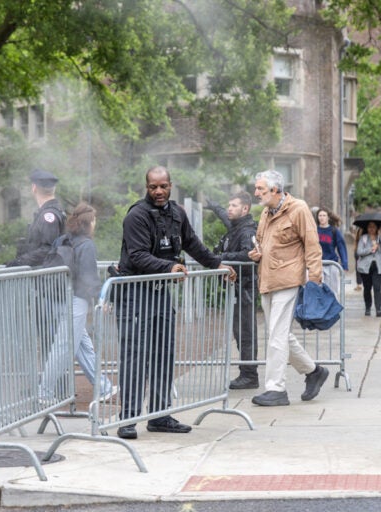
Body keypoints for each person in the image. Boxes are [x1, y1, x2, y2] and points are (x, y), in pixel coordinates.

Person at [114, 166, 236, 439]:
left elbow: (192, 244)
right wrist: (169, 267)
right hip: (135, 294)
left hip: (159, 294)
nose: (158, 191)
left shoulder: (177, 213)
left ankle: (160, 416)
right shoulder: (137, 216)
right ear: (146, 188)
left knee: (163, 354)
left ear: (171, 185)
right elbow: (137, 256)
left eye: (163, 186)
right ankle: (128, 418)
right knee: (135, 357)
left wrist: (218, 264)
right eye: (153, 187)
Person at [247, 170, 329, 407]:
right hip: (267, 279)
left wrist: (315, 279)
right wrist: (256, 253)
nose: (256, 193)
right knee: (279, 334)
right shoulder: (265, 212)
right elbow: (261, 242)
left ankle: (276, 389)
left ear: (275, 190)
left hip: (288, 279)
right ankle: (313, 371)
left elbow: (312, 245)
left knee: (276, 335)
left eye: (260, 189)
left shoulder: (299, 208)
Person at [43, 203, 115, 400]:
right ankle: (45, 392)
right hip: (76, 300)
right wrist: (102, 299)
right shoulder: (87, 245)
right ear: (90, 222)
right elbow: (88, 277)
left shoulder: (62, 240)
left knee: (83, 347)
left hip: (56, 297)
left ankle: (103, 387)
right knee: (64, 347)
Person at [206, 192, 260, 390]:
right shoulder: (237, 226)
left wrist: (221, 257)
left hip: (245, 288)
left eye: (234, 205)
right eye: (228, 205)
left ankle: (249, 375)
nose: (229, 208)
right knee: (240, 332)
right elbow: (225, 216)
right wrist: (215, 207)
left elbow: (248, 255)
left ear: (245, 209)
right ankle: (247, 373)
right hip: (238, 288)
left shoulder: (246, 231)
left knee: (246, 333)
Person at [7, 169, 66, 266]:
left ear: (34, 188)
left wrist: (20, 261)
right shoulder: (51, 212)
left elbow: (47, 249)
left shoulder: (49, 215)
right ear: (54, 189)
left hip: (47, 277)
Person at [356, 221, 381, 317]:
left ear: (377, 228)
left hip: (378, 267)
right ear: (367, 228)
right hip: (365, 267)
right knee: (367, 288)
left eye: (374, 227)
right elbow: (359, 251)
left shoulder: (380, 238)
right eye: (370, 227)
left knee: (377, 287)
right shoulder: (364, 238)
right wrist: (371, 249)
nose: (371, 229)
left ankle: (378, 309)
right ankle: (368, 308)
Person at [315, 206, 349, 293]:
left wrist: (344, 264)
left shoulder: (334, 231)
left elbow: (341, 247)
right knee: (319, 290)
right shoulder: (314, 230)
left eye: (324, 215)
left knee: (332, 291)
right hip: (318, 264)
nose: (322, 218)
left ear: (328, 217)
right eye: (320, 215)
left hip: (331, 264)